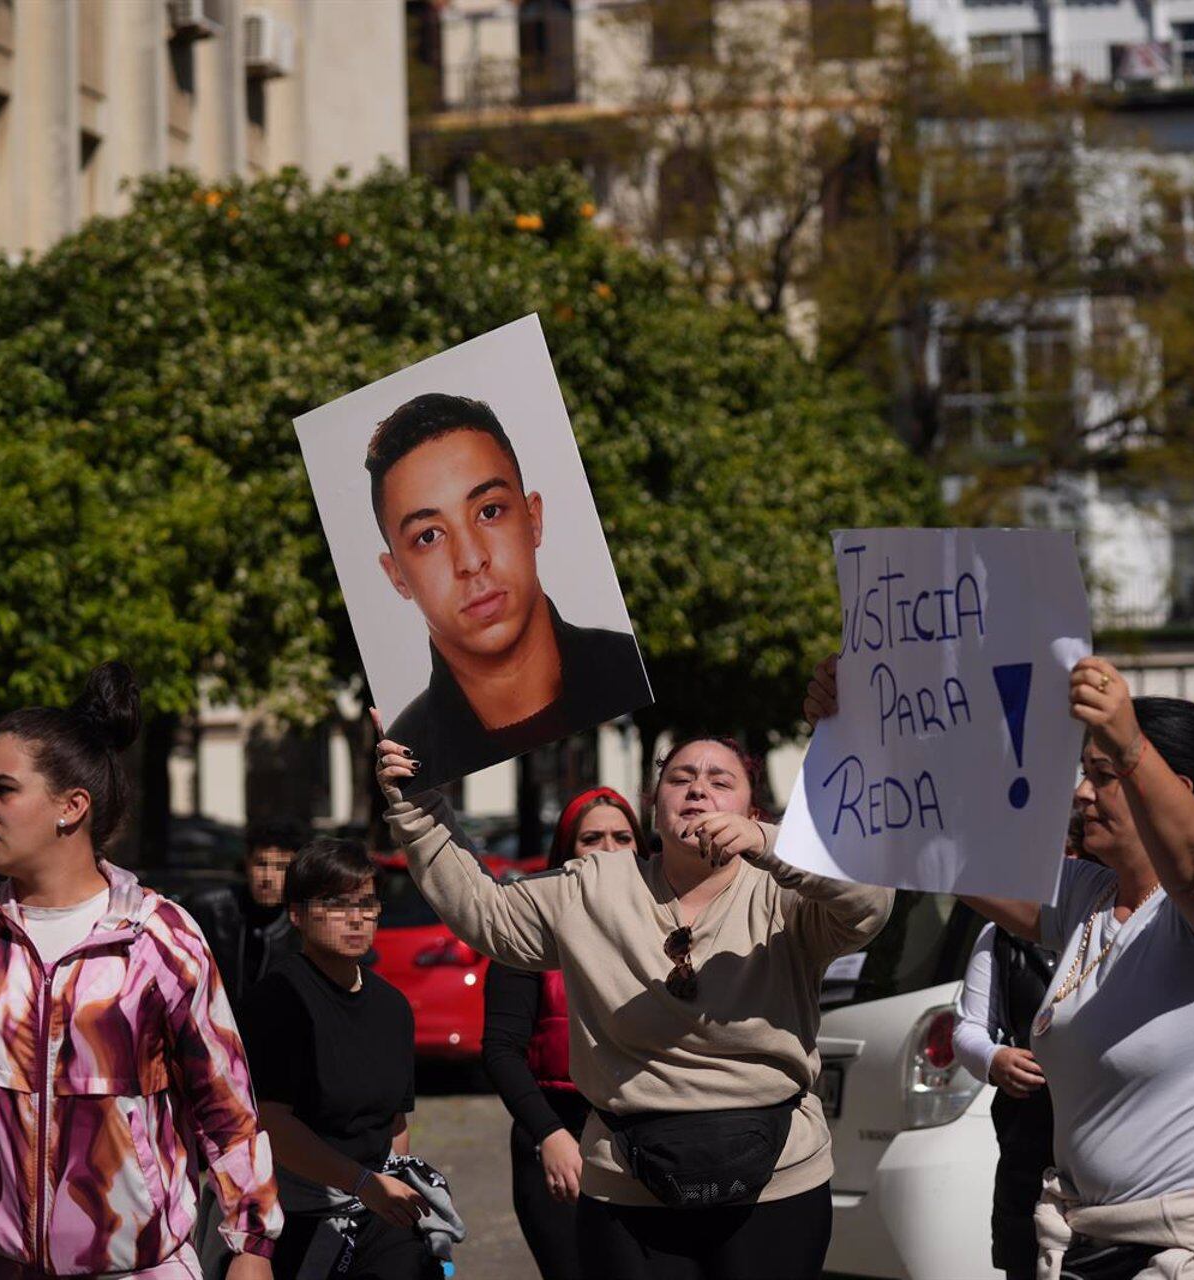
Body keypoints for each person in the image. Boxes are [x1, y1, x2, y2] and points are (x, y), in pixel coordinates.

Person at [809, 655, 1194, 1279]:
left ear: (1170, 792)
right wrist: (861, 739)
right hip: (1100, 1242)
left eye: (1103, 774)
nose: (1082, 793)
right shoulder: (1089, 896)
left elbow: (1192, 866)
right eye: (1085, 773)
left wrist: (1131, 744)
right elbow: (940, 851)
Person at [375, 714, 893, 1280]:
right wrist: (417, 802)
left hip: (777, 1185)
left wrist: (771, 846)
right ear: (653, 806)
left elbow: (869, 900)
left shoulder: (788, 896)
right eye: (680, 778)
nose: (698, 788)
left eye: (721, 781)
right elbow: (486, 914)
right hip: (628, 1186)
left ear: (752, 810)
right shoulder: (593, 885)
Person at [0, 661, 280, 1280]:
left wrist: (251, 1244)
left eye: (3, 790)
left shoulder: (159, 940)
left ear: (72, 807)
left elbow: (225, 1105)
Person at [366, 392, 651, 788]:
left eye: (489, 511)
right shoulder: (409, 755)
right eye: (429, 536)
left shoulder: (630, 669)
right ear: (396, 575)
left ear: (533, 519)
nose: (470, 560)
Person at [240, 837, 442, 1280]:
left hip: (374, 1208)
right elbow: (273, 1123)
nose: (355, 918)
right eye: (335, 904)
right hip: (294, 1214)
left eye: (366, 903)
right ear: (297, 914)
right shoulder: (277, 1000)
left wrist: (388, 1185)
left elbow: (395, 1123)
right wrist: (362, 1184)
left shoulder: (392, 1007)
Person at [481, 786, 643, 1280]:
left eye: (622, 837)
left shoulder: (671, 927)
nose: (609, 850)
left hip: (646, 1134)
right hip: (558, 1128)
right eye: (591, 838)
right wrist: (549, 1135)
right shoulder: (529, 928)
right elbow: (501, 1050)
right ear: (566, 851)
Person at [952, 912, 1059, 1280]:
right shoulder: (1002, 935)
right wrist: (994, 1058)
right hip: (1032, 1150)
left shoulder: (1141, 922)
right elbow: (969, 1028)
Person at [188, 817, 308, 1007]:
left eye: (281, 867)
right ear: (247, 864)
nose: (268, 877)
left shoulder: (305, 923)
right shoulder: (208, 909)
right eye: (261, 864)